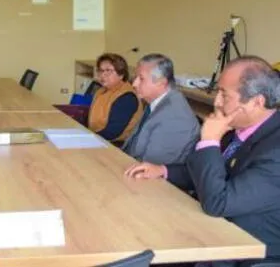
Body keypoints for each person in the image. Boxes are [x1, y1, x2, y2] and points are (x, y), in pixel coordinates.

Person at [126, 56, 280, 266]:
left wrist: (209, 141)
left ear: (256, 102)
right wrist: (163, 170)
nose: (216, 102)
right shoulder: (236, 128)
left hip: (247, 253)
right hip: (212, 232)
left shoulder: (275, 150)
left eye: (224, 95)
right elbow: (209, 172)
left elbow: (219, 202)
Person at [121, 53, 200, 165]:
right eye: (135, 77)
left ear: (161, 82)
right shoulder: (155, 102)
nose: (134, 83)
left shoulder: (174, 116)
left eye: (141, 78)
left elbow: (152, 165)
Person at [87, 53, 142, 144]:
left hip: (116, 145)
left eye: (108, 70)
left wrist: (87, 138)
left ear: (121, 74)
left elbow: (112, 132)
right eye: (100, 70)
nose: (103, 75)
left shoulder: (127, 97)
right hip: (98, 139)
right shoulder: (101, 90)